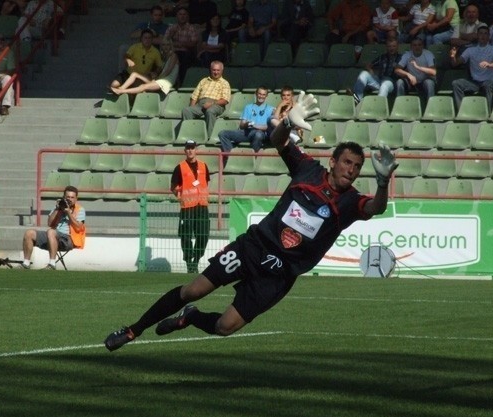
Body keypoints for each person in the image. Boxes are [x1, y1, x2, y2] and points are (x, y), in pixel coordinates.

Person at [103, 92, 398, 352]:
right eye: (347, 162)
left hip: (279, 274)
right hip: (254, 247)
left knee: (224, 327)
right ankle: (132, 330)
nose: (352, 170)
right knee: (193, 289)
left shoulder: (349, 202)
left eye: (358, 167)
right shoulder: (308, 170)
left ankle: (190, 317)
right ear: (333, 162)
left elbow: (375, 207)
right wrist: (286, 123)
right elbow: (277, 142)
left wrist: (383, 182)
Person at [22, 186, 86, 270]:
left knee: (51, 232)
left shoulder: (80, 210)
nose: (69, 199)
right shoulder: (58, 207)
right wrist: (57, 209)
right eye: (68, 197)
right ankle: (26, 263)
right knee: (29, 233)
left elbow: (78, 227)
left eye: (72, 197)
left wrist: (68, 213)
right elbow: (50, 223)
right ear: (64, 197)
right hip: (53, 236)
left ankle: (52, 264)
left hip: (69, 239)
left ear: (76, 199)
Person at [172, 139, 211, 274]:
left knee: (203, 235)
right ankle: (189, 263)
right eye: (188, 148)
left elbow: (205, 183)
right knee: (186, 236)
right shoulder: (180, 167)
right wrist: (181, 197)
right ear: (185, 150)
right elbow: (174, 187)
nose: (190, 150)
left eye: (192, 148)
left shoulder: (204, 166)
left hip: (202, 206)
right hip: (187, 207)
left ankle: (196, 260)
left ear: (196, 150)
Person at [451, 25, 493, 109]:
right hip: (475, 82)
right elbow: (455, 64)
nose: (483, 36)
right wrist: (453, 56)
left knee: (487, 85)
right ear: (477, 35)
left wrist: (489, 65)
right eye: (481, 33)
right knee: (456, 83)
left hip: (491, 80)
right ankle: (461, 111)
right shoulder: (470, 50)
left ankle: (487, 113)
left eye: (486, 34)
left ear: (489, 36)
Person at [218, 86, 274, 159]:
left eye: (263, 94)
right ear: (256, 94)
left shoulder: (270, 109)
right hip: (247, 132)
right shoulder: (248, 107)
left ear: (266, 96)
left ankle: (253, 158)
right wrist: (246, 124)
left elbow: (268, 127)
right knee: (223, 133)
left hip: (261, 133)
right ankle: (231, 157)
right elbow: (241, 125)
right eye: (259, 94)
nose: (261, 96)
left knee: (258, 134)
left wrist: (255, 126)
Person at [181, 60, 230, 140]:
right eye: (214, 70)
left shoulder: (225, 83)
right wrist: (192, 108)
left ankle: (209, 137)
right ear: (210, 70)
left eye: (218, 70)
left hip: (217, 104)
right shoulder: (203, 81)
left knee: (210, 111)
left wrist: (212, 103)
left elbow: (225, 100)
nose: (216, 72)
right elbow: (194, 97)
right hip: (200, 104)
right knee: (186, 110)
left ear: (222, 71)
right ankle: (190, 137)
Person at [111, 38, 179, 96]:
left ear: (171, 46)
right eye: (164, 45)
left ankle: (120, 91)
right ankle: (121, 88)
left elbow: (167, 72)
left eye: (168, 45)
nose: (166, 47)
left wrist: (156, 79)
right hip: (159, 79)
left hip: (166, 82)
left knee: (143, 86)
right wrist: (154, 75)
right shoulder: (164, 58)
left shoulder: (173, 56)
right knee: (134, 74)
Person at [349, 37, 402, 104]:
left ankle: (378, 105)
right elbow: (369, 65)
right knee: (364, 73)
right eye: (389, 46)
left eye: (394, 46)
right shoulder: (382, 57)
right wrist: (371, 72)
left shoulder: (401, 58)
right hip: (380, 80)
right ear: (386, 47)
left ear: (397, 47)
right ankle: (357, 98)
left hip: (392, 83)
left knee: (385, 84)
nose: (391, 48)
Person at [394, 37, 437, 106]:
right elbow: (397, 69)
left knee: (429, 83)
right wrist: (408, 75)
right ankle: (399, 106)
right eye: (415, 45)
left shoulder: (428, 54)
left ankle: (430, 106)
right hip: (412, 82)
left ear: (422, 46)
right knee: (399, 82)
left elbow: (433, 72)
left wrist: (418, 67)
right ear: (411, 47)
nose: (417, 47)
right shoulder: (407, 55)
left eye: (419, 45)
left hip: (424, 81)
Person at [164, 6, 199, 83]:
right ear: (176, 16)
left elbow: (193, 43)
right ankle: (167, 81)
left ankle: (181, 83)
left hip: (186, 52)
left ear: (187, 16)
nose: (182, 16)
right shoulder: (171, 28)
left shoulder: (191, 28)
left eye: (184, 14)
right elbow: (165, 41)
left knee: (184, 58)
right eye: (180, 14)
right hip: (173, 52)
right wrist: (174, 38)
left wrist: (178, 44)